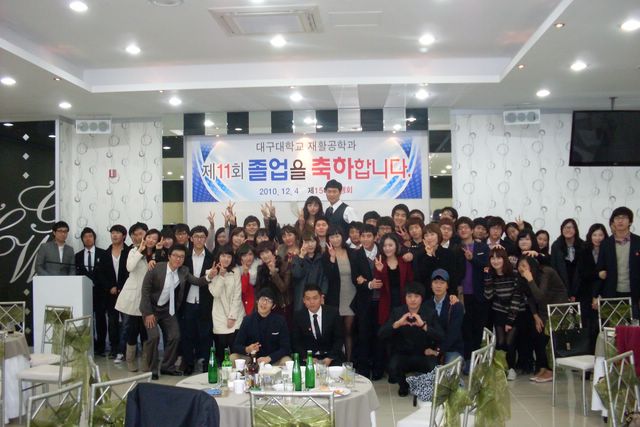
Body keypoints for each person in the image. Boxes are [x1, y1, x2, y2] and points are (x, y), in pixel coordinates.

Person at [139, 244, 215, 379]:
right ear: (169, 256)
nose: (178, 259)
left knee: (175, 336)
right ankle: (152, 369)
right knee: (154, 337)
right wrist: (148, 313)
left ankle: (167, 367)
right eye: (175, 256)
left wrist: (209, 276)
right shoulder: (156, 268)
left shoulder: (183, 271)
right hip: (151, 309)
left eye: (181, 257)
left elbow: (197, 281)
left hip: (167, 310)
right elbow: (145, 291)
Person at [379, 282, 444, 396]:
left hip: (424, 354)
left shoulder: (430, 313)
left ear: (421, 298)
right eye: (409, 296)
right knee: (392, 367)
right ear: (405, 298)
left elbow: (441, 336)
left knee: (434, 368)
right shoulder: (397, 312)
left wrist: (424, 326)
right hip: (403, 354)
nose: (413, 300)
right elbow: (381, 334)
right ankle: (404, 385)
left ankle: (423, 384)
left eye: (416, 296)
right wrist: (397, 324)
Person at [115, 229, 161, 372]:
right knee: (132, 330)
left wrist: (157, 255)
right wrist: (140, 250)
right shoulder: (134, 251)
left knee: (146, 331)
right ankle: (130, 360)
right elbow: (129, 267)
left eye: (155, 238)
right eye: (149, 237)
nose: (151, 240)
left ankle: (146, 361)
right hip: (133, 296)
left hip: (148, 298)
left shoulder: (158, 254)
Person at [517, 256, 568, 383]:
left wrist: (530, 279)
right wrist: (535, 316)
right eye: (519, 266)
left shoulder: (546, 272)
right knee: (537, 335)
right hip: (544, 311)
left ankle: (550, 370)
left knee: (545, 338)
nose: (521, 269)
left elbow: (540, 296)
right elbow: (530, 297)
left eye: (524, 265)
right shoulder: (525, 278)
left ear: (532, 265)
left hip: (558, 310)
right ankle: (543, 368)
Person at [483, 248, 524, 381]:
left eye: (498, 258)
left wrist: (510, 321)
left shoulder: (514, 273)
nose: (495, 261)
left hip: (515, 311)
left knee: (509, 342)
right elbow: (488, 296)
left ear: (504, 259)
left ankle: (511, 369)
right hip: (499, 311)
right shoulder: (491, 274)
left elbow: (517, 297)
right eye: (492, 258)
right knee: (500, 342)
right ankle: (501, 368)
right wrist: (488, 277)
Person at [180, 225, 215, 375]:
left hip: (205, 302)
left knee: (206, 335)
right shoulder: (184, 257)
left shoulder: (212, 258)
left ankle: (207, 363)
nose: (199, 239)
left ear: (206, 239)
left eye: (202, 237)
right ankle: (189, 363)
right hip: (187, 301)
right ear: (191, 238)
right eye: (196, 236)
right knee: (188, 335)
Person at [455, 216, 489, 365]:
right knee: (465, 328)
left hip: (479, 294)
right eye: (460, 228)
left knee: (478, 327)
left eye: (466, 227)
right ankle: (468, 359)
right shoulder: (456, 248)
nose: (463, 230)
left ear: (472, 229)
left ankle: (477, 360)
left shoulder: (482, 247)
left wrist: (472, 258)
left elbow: (487, 267)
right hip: (462, 295)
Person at [95, 224, 131, 360]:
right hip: (110, 294)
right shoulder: (105, 254)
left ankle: (125, 349)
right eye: (112, 233)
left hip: (126, 292)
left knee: (127, 322)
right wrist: (110, 287)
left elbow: (131, 272)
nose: (114, 235)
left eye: (117, 233)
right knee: (112, 321)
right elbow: (100, 274)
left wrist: (122, 287)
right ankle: (114, 348)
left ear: (124, 235)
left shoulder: (130, 252)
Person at [231, 287, 292, 366]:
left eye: (269, 301)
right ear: (257, 301)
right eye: (262, 299)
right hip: (252, 361)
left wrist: (269, 358)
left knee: (287, 361)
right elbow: (236, 346)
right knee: (233, 358)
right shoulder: (247, 320)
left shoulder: (280, 321)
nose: (264, 303)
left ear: (273, 306)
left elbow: (286, 348)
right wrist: (247, 349)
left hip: (273, 360)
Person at [597, 207, 640, 316]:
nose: (620, 221)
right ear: (613, 222)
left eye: (624, 217)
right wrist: (596, 294)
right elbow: (600, 269)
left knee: (634, 324)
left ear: (630, 222)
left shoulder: (638, 242)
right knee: (613, 325)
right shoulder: (606, 244)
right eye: (617, 218)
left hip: (635, 293)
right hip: (611, 293)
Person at [209, 244, 245, 365]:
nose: (226, 259)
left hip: (236, 315)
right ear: (218, 257)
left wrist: (232, 316)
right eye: (223, 256)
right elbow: (215, 293)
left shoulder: (235, 271)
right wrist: (221, 276)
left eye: (229, 256)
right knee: (221, 349)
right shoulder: (211, 272)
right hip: (219, 315)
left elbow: (237, 295)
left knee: (236, 350)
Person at [292, 284, 344, 366]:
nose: (312, 302)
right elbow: (296, 342)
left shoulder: (333, 313)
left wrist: (330, 357)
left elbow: (339, 338)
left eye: (315, 298)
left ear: (321, 298)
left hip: (331, 356)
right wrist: (307, 358)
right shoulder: (298, 316)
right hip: (308, 358)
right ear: (303, 300)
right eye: (308, 299)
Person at [75, 226, 107, 357]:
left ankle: (101, 346)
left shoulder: (103, 253)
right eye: (85, 237)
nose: (88, 239)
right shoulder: (77, 256)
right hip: (84, 292)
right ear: (82, 239)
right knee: (86, 319)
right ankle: (90, 345)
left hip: (100, 292)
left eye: (90, 236)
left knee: (100, 319)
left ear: (94, 238)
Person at [427, 269, 464, 364]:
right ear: (431, 285)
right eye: (435, 282)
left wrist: (438, 350)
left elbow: (453, 334)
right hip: (432, 347)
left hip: (452, 348)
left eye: (442, 283)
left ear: (447, 285)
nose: (438, 286)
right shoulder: (426, 305)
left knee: (450, 370)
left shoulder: (455, 305)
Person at [291, 231, 328, 311]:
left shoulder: (322, 258)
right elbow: (297, 274)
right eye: (307, 242)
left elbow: (325, 279)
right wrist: (301, 256)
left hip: (317, 296)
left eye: (312, 241)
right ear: (302, 244)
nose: (310, 244)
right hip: (301, 297)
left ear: (317, 242)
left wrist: (323, 294)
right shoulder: (297, 258)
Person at [237, 243, 260, 316]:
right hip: (245, 306)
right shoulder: (237, 270)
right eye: (244, 255)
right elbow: (243, 290)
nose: (248, 258)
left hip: (260, 303)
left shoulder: (260, 267)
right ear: (240, 257)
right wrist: (245, 274)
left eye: (250, 254)